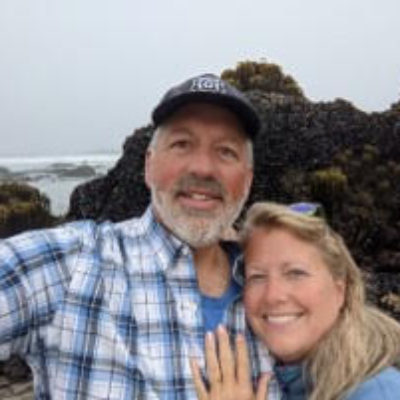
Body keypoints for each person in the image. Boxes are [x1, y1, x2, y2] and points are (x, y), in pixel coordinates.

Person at [0, 74, 280, 399]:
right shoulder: (71, 264)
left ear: (247, 180)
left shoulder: (282, 296)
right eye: (182, 144)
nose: (203, 168)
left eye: (226, 151)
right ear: (149, 165)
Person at [191, 202, 400, 400]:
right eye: (257, 277)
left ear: (340, 290)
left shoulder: (379, 392)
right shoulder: (291, 382)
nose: (273, 295)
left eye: (295, 273)